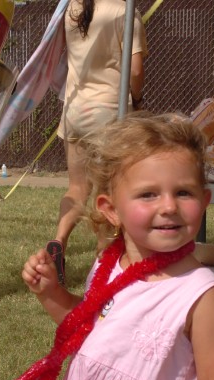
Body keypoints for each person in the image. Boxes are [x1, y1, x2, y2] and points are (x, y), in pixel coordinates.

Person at [21, 113, 214, 380]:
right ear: (111, 210)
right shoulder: (109, 264)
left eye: (183, 192)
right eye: (148, 194)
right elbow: (90, 332)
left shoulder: (201, 296)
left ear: (204, 201)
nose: (168, 207)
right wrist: (51, 292)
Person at [47, 0, 148, 284]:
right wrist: (137, 101)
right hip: (110, 113)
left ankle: (58, 242)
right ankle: (102, 263)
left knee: (77, 189)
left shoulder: (71, 9)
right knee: (109, 193)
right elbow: (136, 71)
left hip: (75, 110)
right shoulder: (126, 13)